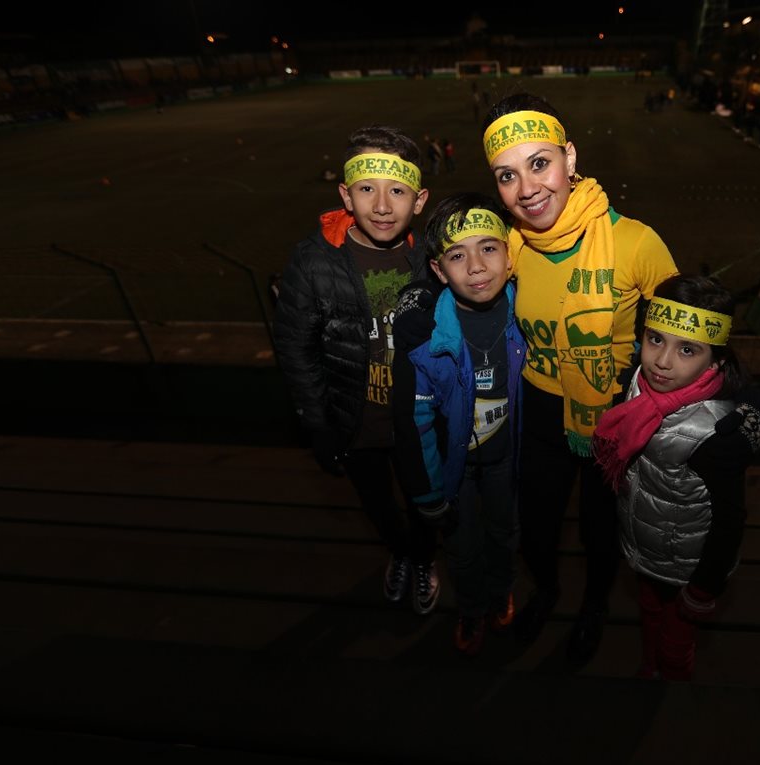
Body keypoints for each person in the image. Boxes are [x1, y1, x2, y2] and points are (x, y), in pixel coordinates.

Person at [480, 92, 680, 664]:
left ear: (570, 157)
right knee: (537, 529)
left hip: (612, 420)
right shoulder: (512, 244)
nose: (527, 189)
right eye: (507, 176)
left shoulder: (635, 242)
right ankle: (547, 590)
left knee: (598, 533)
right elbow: (463, 286)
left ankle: (594, 606)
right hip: (538, 415)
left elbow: (689, 343)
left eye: (539, 163)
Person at [272, 125, 441, 615]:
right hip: (354, 422)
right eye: (367, 189)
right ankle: (402, 552)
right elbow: (295, 345)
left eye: (398, 191)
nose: (383, 206)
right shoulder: (312, 260)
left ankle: (425, 556)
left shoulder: (434, 259)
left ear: (420, 200)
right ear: (346, 194)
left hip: (420, 424)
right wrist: (316, 420)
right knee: (378, 507)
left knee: (424, 503)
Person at [592, 275, 760, 680]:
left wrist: (702, 590)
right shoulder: (634, 385)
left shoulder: (717, 437)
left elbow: (730, 520)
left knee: (676, 642)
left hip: (688, 567)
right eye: (655, 340)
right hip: (644, 547)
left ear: (716, 361)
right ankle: (650, 668)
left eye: (687, 349)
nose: (662, 361)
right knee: (650, 614)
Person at [391, 193, 524, 656]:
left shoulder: (529, 314)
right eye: (456, 254)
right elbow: (418, 421)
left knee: (505, 533)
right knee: (463, 547)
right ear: (438, 270)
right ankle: (470, 606)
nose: (476, 266)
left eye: (489, 247)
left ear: (511, 255)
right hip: (455, 470)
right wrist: (427, 494)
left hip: (507, 458)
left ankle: (502, 587)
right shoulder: (427, 338)